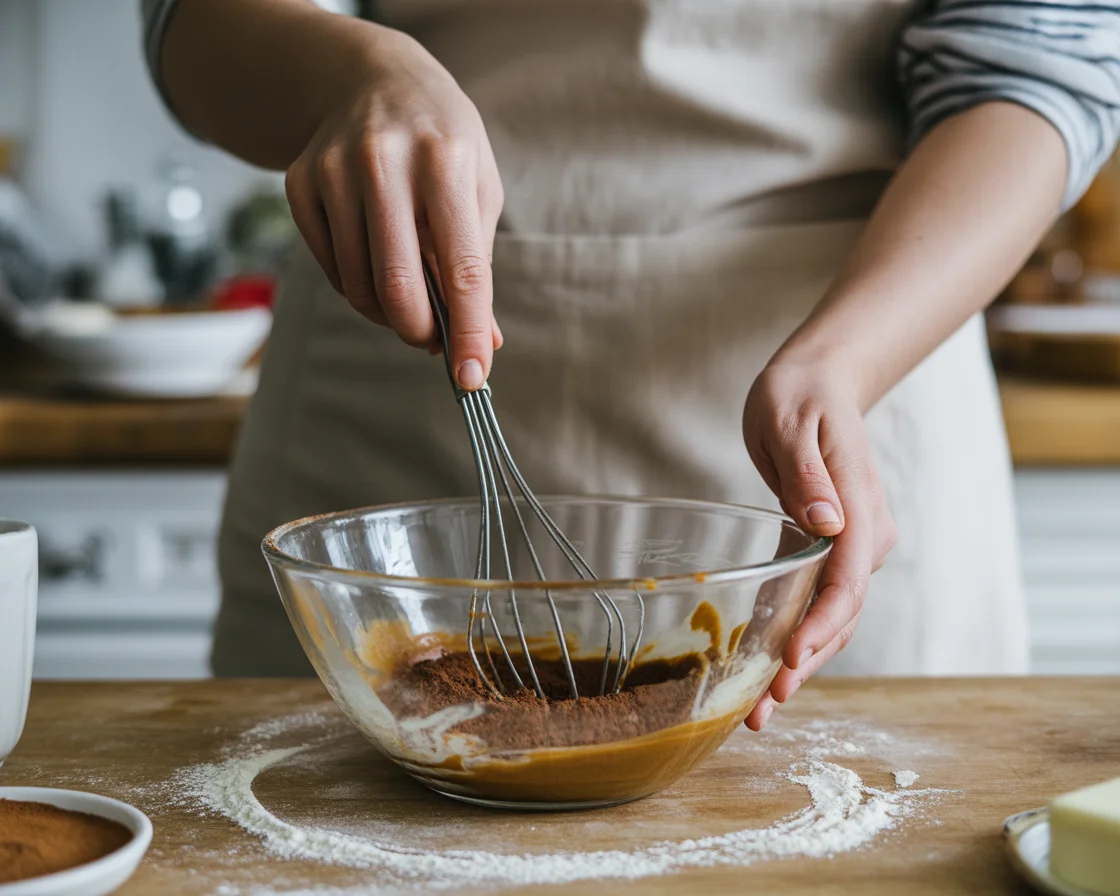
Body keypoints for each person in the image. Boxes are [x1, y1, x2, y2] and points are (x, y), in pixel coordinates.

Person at [142, 0, 1119, 728]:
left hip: (853, 355)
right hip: (397, 361)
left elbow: (1038, 69)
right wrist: (346, 76)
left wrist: (847, 357)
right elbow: (191, 23)